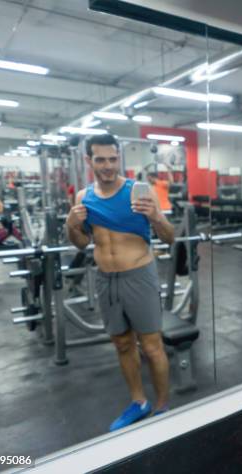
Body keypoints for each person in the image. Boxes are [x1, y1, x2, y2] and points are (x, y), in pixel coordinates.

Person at [66, 134, 175, 432]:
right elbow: (80, 243)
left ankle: (162, 406)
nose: (108, 166)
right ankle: (138, 402)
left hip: (139, 275)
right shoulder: (83, 197)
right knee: (123, 344)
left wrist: (156, 217)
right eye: (100, 159)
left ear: (119, 159)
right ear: (89, 161)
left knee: (152, 347)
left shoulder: (138, 192)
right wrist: (70, 225)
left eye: (113, 159)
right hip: (106, 279)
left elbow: (169, 237)